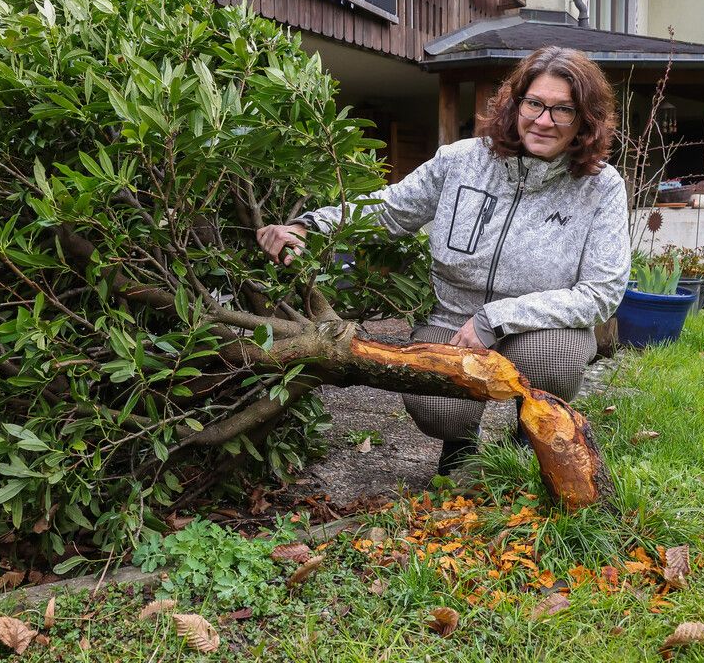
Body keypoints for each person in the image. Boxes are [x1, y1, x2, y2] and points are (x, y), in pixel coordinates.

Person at [256, 46, 630, 473]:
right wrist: (309, 226)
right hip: (453, 319)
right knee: (435, 404)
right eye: (535, 104)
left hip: (539, 326)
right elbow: (389, 210)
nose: (543, 121)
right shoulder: (462, 161)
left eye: (563, 110)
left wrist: (497, 318)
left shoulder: (600, 187)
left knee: (551, 361)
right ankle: (460, 442)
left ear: (585, 120)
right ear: (516, 102)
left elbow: (602, 292)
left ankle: (529, 433)